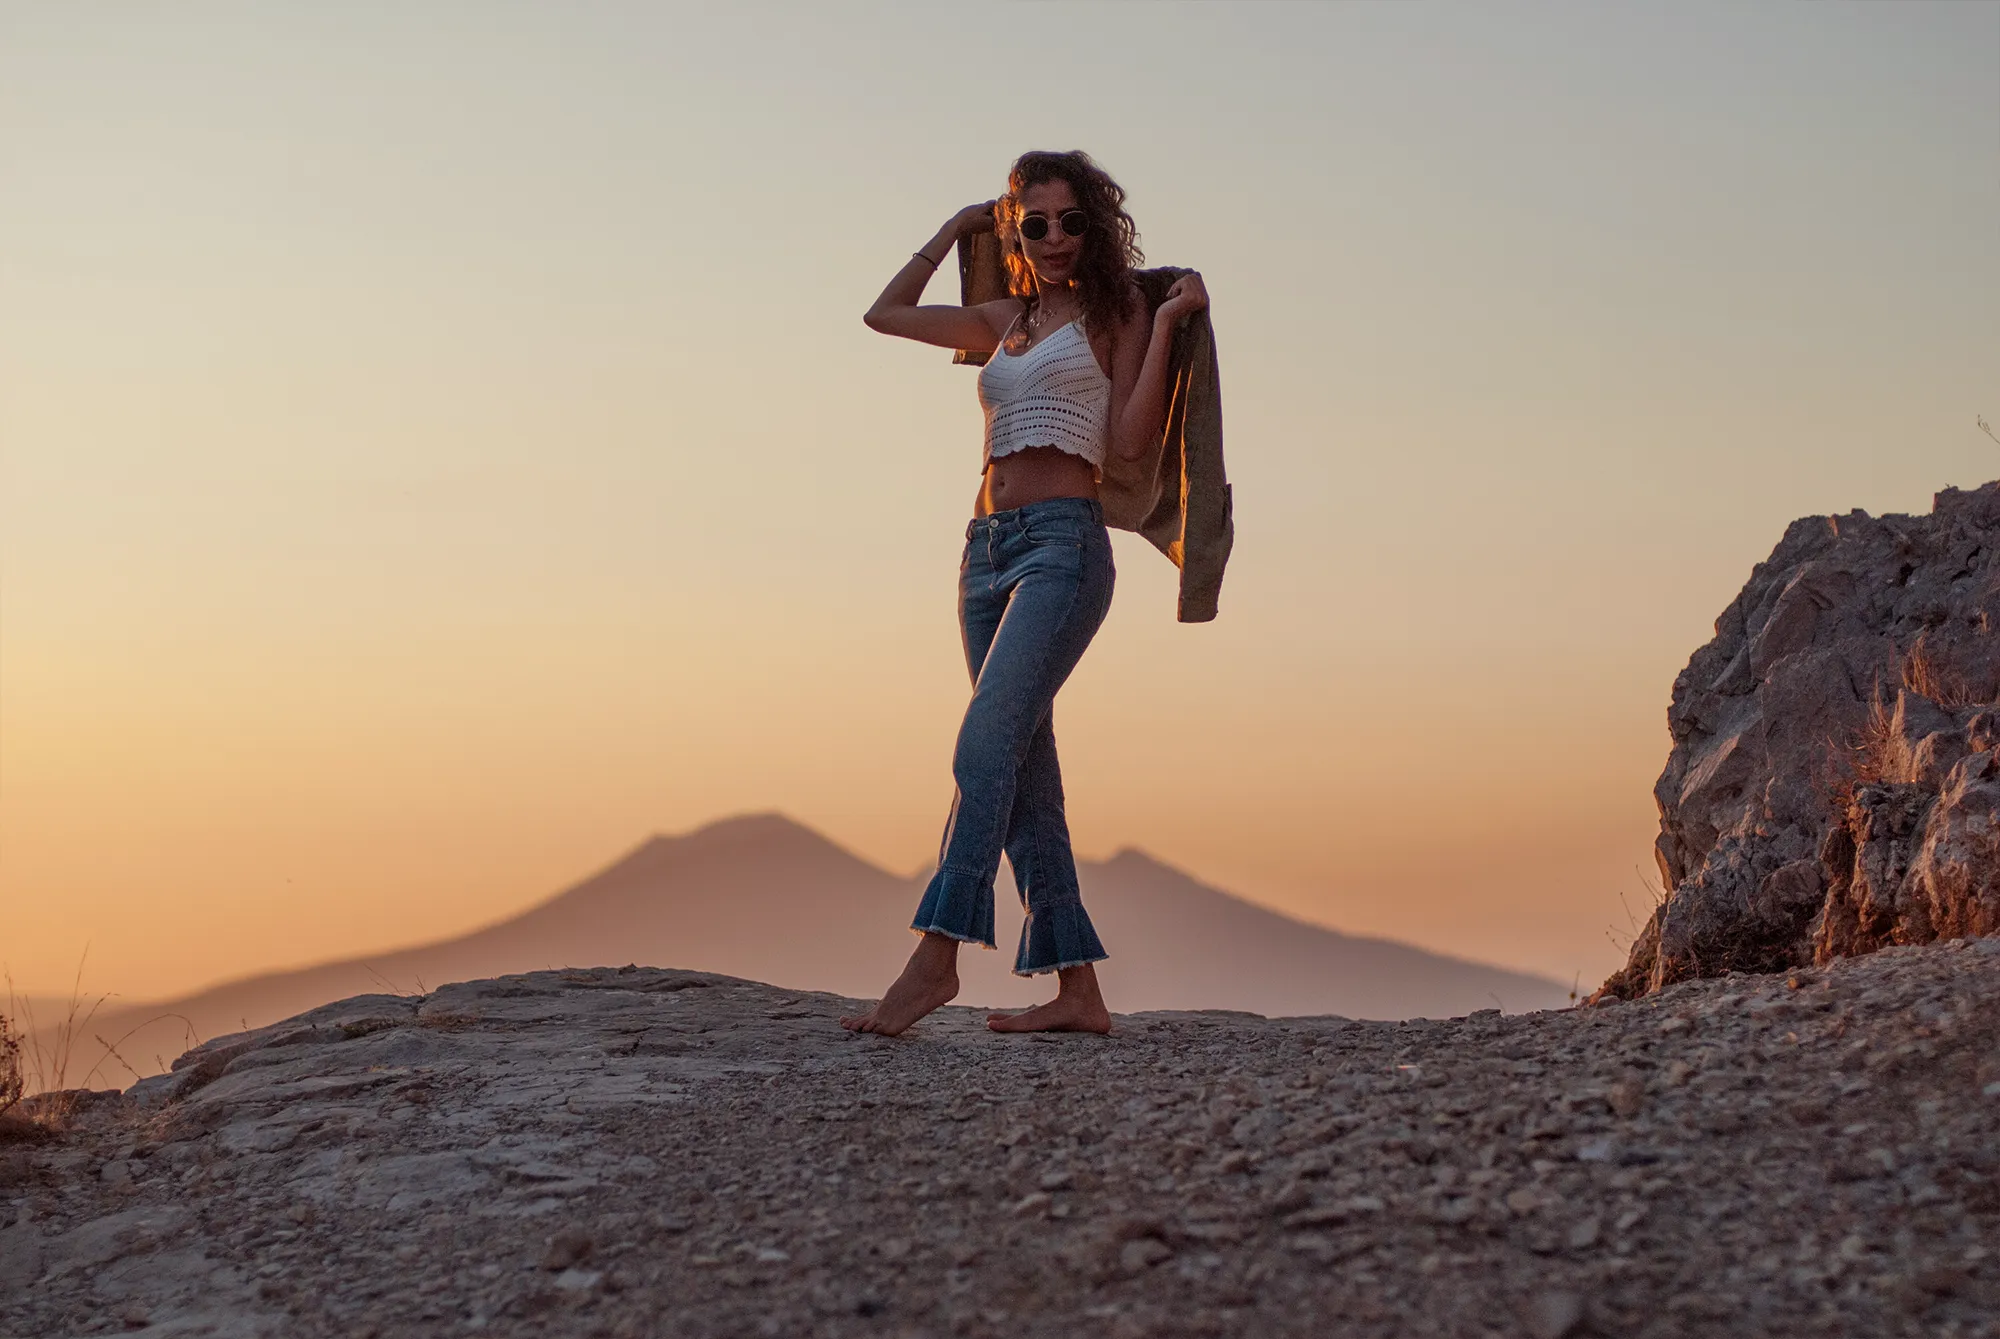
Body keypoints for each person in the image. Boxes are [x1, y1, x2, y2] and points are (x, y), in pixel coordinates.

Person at [840, 150, 1208, 1037]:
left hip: (1062, 552)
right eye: (1032, 222)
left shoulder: (1117, 315)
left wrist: (1166, 327)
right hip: (983, 556)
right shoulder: (1005, 319)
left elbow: (1124, 445)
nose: (1051, 238)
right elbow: (883, 314)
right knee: (1026, 777)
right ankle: (1078, 990)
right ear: (1016, 229)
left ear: (1096, 227)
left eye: (1069, 221)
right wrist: (950, 232)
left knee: (983, 746)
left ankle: (937, 956)